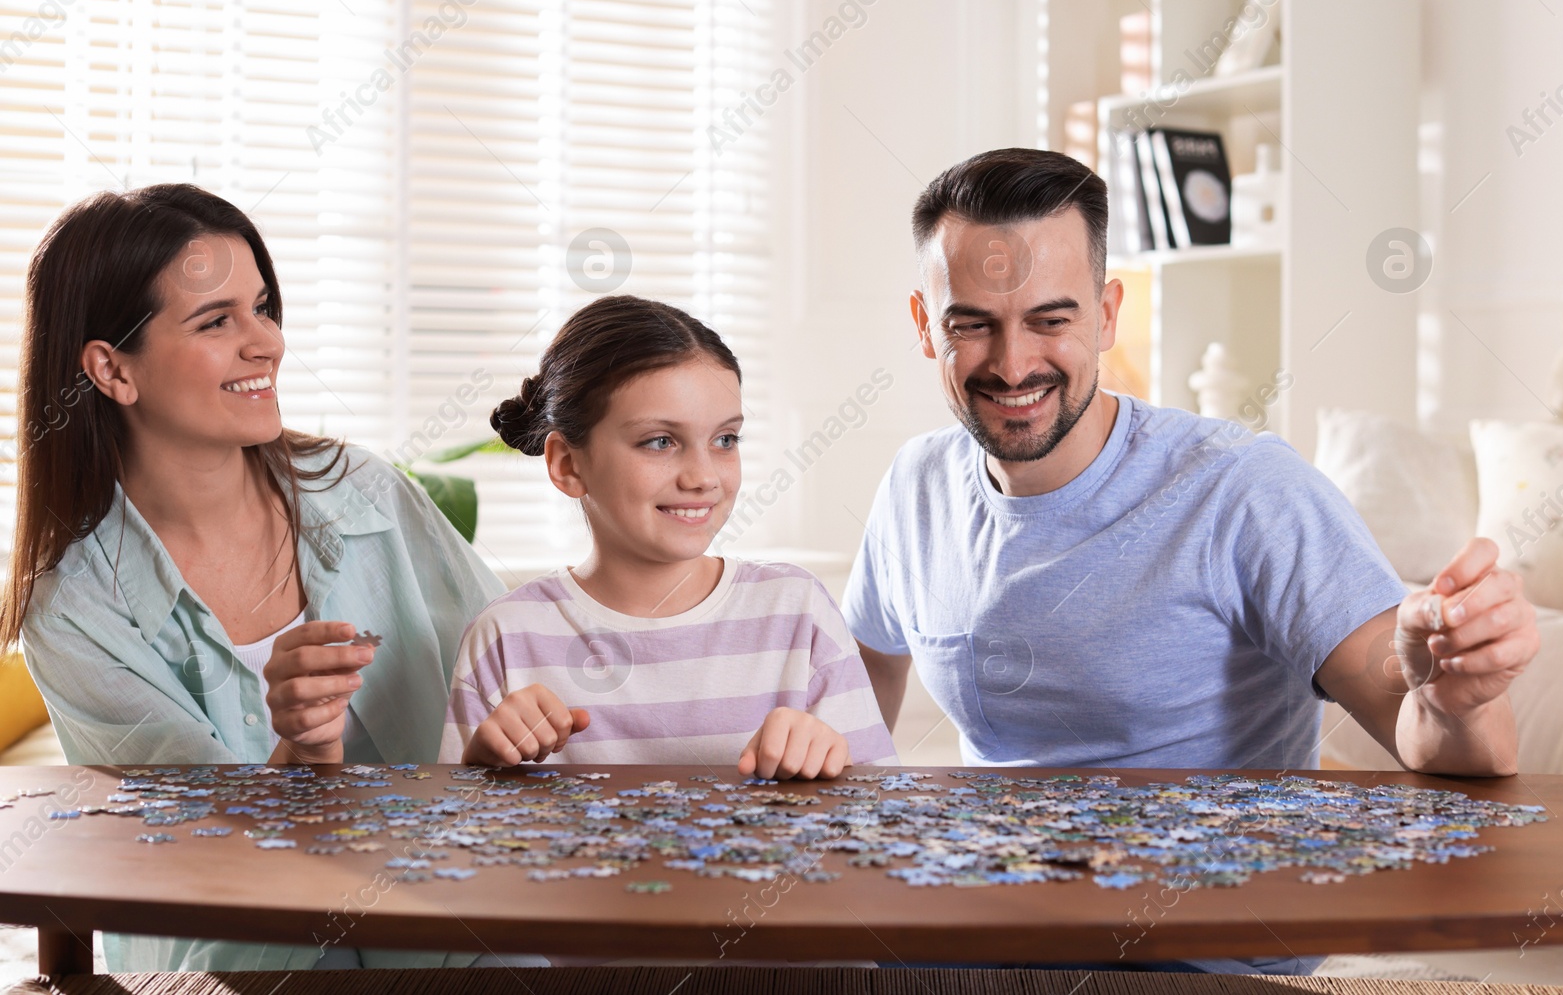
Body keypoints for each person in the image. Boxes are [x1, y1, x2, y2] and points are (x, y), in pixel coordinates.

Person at [843, 148, 1540, 975]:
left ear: (1106, 315)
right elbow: (848, 707)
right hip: (991, 936)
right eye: (972, 324)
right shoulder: (915, 485)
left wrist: (1456, 696)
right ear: (926, 324)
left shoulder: (1244, 489)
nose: (1012, 362)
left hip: (1198, 962)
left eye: (1050, 319)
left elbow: (1444, 742)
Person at [7, 184, 505, 972]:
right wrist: (298, 754)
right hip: (238, 936)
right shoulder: (71, 603)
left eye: (263, 307)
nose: (266, 342)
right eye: (216, 320)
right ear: (111, 369)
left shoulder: (369, 495)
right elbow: (204, 838)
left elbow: (522, 669)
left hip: (449, 910)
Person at [440, 294, 896, 778]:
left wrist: (831, 761)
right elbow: (453, 841)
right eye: (660, 441)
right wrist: (483, 769)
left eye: (725, 440)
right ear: (568, 464)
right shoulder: (506, 637)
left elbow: (877, 821)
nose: (702, 477)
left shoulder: (798, 612)